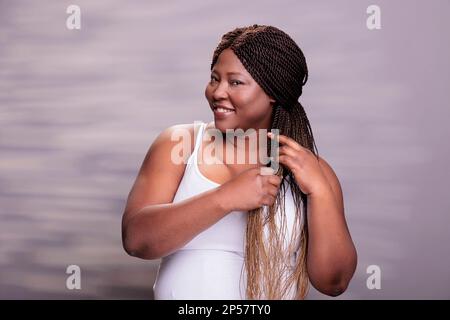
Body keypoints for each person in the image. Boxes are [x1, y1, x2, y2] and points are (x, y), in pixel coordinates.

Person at [121, 24, 357, 300]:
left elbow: (334, 282)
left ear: (272, 92)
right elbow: (136, 241)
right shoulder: (179, 145)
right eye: (214, 79)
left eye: (235, 82)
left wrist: (321, 191)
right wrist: (225, 198)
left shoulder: (313, 172)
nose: (217, 92)